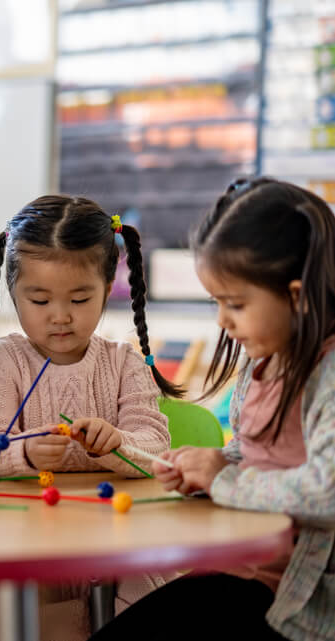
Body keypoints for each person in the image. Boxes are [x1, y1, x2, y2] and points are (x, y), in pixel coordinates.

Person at [90, 177, 335, 641]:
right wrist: (211, 471)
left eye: (236, 303)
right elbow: (251, 457)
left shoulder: (328, 374)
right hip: (236, 573)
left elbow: (326, 492)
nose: (222, 320)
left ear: (297, 296)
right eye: (216, 302)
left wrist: (225, 479)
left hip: (293, 605)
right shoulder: (262, 364)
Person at [0, 194, 182, 640]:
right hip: (28, 544)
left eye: (80, 298)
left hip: (118, 544)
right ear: (13, 292)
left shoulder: (123, 362)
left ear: (107, 287)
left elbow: (155, 450)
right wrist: (24, 452)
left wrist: (116, 442)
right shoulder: (2, 361)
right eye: (40, 300)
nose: (61, 316)